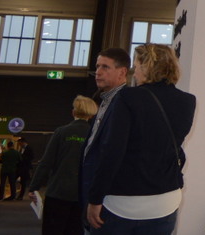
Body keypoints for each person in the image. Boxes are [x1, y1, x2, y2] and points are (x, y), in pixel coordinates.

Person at [84, 44, 196, 233]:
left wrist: (94, 198)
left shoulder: (127, 97)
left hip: (123, 202)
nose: (134, 72)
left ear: (147, 66)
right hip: (166, 201)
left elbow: (112, 152)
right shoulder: (188, 101)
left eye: (136, 66)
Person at [28, 95, 97, 235]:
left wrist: (33, 187)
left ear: (73, 112)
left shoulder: (61, 132)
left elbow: (46, 162)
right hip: (81, 196)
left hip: (57, 192)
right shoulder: (94, 135)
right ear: (91, 115)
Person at [80, 47, 132, 215]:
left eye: (105, 67)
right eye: (97, 66)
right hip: (93, 190)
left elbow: (113, 151)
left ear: (122, 72)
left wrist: (97, 197)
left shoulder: (126, 103)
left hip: (110, 199)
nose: (98, 72)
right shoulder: (103, 101)